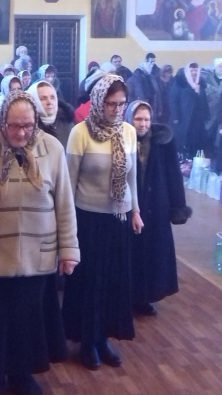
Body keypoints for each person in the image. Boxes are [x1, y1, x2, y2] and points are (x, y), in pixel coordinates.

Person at [0, 90, 79, 395]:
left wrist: (69, 250)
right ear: (2, 121)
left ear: (36, 121)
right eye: (14, 125)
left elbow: (64, 204)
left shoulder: (52, 148)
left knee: (27, 321)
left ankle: (21, 374)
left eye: (27, 125)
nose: (21, 132)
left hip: (37, 257)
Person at [62, 75, 143, 371]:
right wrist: (67, 224)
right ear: (98, 101)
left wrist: (135, 211)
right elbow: (69, 182)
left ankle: (103, 338)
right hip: (88, 218)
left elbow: (132, 177)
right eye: (111, 104)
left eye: (121, 104)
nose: (116, 109)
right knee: (91, 282)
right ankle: (87, 341)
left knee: (113, 281)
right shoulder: (80, 133)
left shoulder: (128, 131)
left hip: (118, 218)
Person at [125, 101, 192, 316]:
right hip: (129, 206)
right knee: (130, 254)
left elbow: (173, 174)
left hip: (156, 205)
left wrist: (177, 205)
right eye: (138, 119)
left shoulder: (163, 142)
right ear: (129, 119)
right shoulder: (122, 140)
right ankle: (127, 297)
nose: (143, 124)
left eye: (146, 119)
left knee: (152, 254)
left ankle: (145, 297)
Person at [169, 63, 209, 158]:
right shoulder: (180, 83)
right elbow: (173, 100)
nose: (194, 72)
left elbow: (204, 101)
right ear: (187, 72)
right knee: (184, 140)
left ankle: (194, 158)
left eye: (195, 70)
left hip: (198, 118)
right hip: (183, 117)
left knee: (197, 141)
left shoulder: (201, 84)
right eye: (191, 70)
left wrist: (206, 116)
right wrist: (175, 116)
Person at [28, 80, 75, 147]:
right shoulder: (28, 129)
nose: (49, 102)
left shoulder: (67, 123)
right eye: (43, 98)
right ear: (33, 101)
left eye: (52, 97)